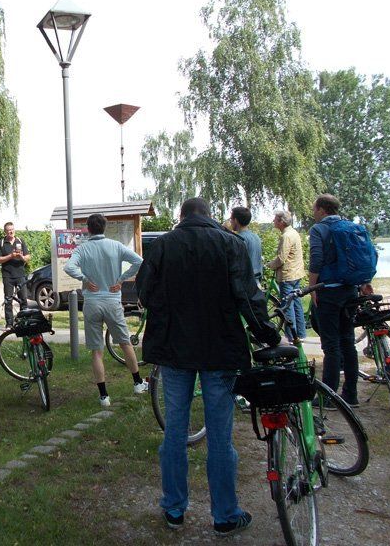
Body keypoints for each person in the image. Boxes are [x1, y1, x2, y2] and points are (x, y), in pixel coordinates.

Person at [136, 197, 280, 537]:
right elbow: (247, 296)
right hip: (221, 349)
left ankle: (174, 508)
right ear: (210, 215)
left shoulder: (164, 246)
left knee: (175, 429)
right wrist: (267, 334)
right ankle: (225, 515)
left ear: (182, 216)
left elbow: (144, 291)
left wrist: (170, 307)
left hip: (175, 349)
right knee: (220, 435)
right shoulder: (231, 244)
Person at [64, 213, 145, 407]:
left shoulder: (82, 249)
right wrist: (122, 279)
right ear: (104, 227)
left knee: (97, 351)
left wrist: (84, 279)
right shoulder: (115, 246)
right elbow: (139, 261)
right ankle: (137, 383)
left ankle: (104, 396)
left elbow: (69, 267)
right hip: (112, 301)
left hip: (92, 302)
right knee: (125, 343)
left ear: (88, 229)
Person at [309, 194, 373, 408]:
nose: (313, 213)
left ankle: (328, 396)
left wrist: (312, 287)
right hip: (350, 290)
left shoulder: (319, 229)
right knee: (347, 342)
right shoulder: (351, 227)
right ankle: (351, 395)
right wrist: (363, 282)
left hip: (328, 291)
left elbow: (316, 259)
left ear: (322, 209)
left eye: (314, 209)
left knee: (331, 345)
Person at [265, 210, 306, 340]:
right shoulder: (294, 232)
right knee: (297, 304)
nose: (273, 221)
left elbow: (281, 259)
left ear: (281, 222)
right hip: (296, 273)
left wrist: (269, 265)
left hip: (287, 275)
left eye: (275, 219)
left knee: (287, 307)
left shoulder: (286, 236)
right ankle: (301, 334)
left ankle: (292, 337)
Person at [0, 222, 30, 329]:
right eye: (9, 230)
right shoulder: (0, 243)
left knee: (23, 299)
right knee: (8, 300)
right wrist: (11, 256)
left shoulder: (20, 241)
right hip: (7, 276)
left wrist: (22, 257)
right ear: (5, 232)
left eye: (12, 229)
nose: (11, 232)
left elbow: (28, 257)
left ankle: (24, 322)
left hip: (20, 275)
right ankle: (9, 324)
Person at [229, 206, 263, 288]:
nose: (230, 222)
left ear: (236, 220)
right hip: (257, 280)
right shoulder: (256, 237)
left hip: (246, 283)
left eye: (231, 219)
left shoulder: (238, 239)